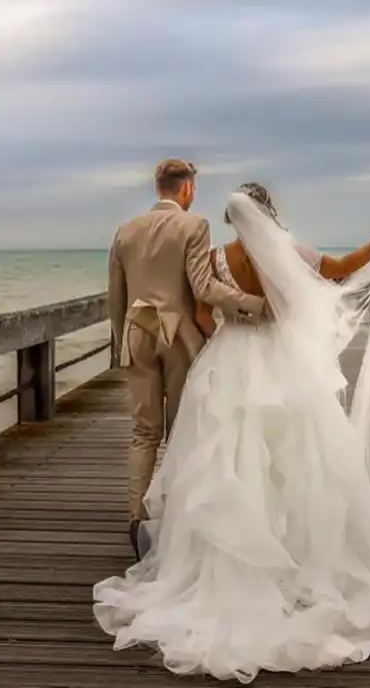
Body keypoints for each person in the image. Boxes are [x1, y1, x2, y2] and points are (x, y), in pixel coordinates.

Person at [93, 182, 370, 682]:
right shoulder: (290, 253)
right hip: (283, 366)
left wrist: (218, 348)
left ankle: (229, 565)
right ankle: (299, 559)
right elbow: (341, 270)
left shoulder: (216, 258)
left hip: (231, 359)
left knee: (229, 464)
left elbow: (202, 314)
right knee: (301, 462)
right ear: (269, 213)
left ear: (233, 220)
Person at [106, 159, 269, 562]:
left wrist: (120, 341)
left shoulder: (125, 230)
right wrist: (253, 303)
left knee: (144, 431)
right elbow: (203, 286)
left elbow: (116, 293)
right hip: (177, 336)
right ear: (186, 190)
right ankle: (177, 519)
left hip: (136, 333)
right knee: (181, 431)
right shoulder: (193, 227)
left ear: (157, 187)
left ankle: (136, 516)